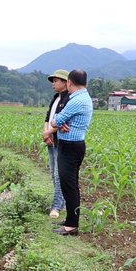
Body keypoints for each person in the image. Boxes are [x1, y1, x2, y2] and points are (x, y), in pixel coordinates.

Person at [48, 69, 93, 236]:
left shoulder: (76, 100)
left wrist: (59, 121)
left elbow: (56, 120)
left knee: (70, 186)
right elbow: (60, 120)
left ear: (69, 82)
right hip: (73, 145)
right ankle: (70, 220)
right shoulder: (82, 97)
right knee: (69, 185)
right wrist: (61, 122)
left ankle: (71, 226)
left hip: (70, 147)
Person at [42, 70, 69, 219]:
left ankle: (56, 206)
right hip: (51, 140)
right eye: (52, 81)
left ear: (65, 82)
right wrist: (46, 132)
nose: (53, 83)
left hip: (61, 141)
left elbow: (62, 122)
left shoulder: (68, 99)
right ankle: (62, 203)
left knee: (59, 175)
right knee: (53, 173)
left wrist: (49, 132)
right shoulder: (55, 98)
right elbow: (48, 117)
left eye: (56, 81)